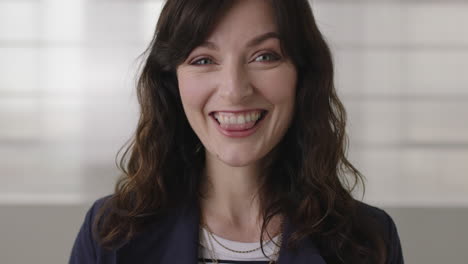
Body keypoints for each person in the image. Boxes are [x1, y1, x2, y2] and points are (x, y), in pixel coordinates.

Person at [70, 0, 404, 263]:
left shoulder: (368, 241)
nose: (234, 90)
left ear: (303, 76)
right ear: (173, 82)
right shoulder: (111, 234)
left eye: (264, 56)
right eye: (203, 59)